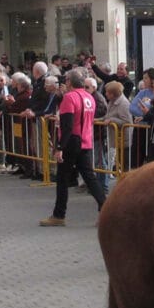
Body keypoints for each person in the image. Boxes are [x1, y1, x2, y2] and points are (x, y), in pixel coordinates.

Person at [39, 67, 106, 227]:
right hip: (86, 140)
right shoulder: (89, 97)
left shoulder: (69, 98)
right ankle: (105, 209)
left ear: (69, 82)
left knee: (63, 178)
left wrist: (60, 147)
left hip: (72, 141)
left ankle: (59, 215)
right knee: (90, 177)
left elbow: (68, 125)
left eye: (66, 80)